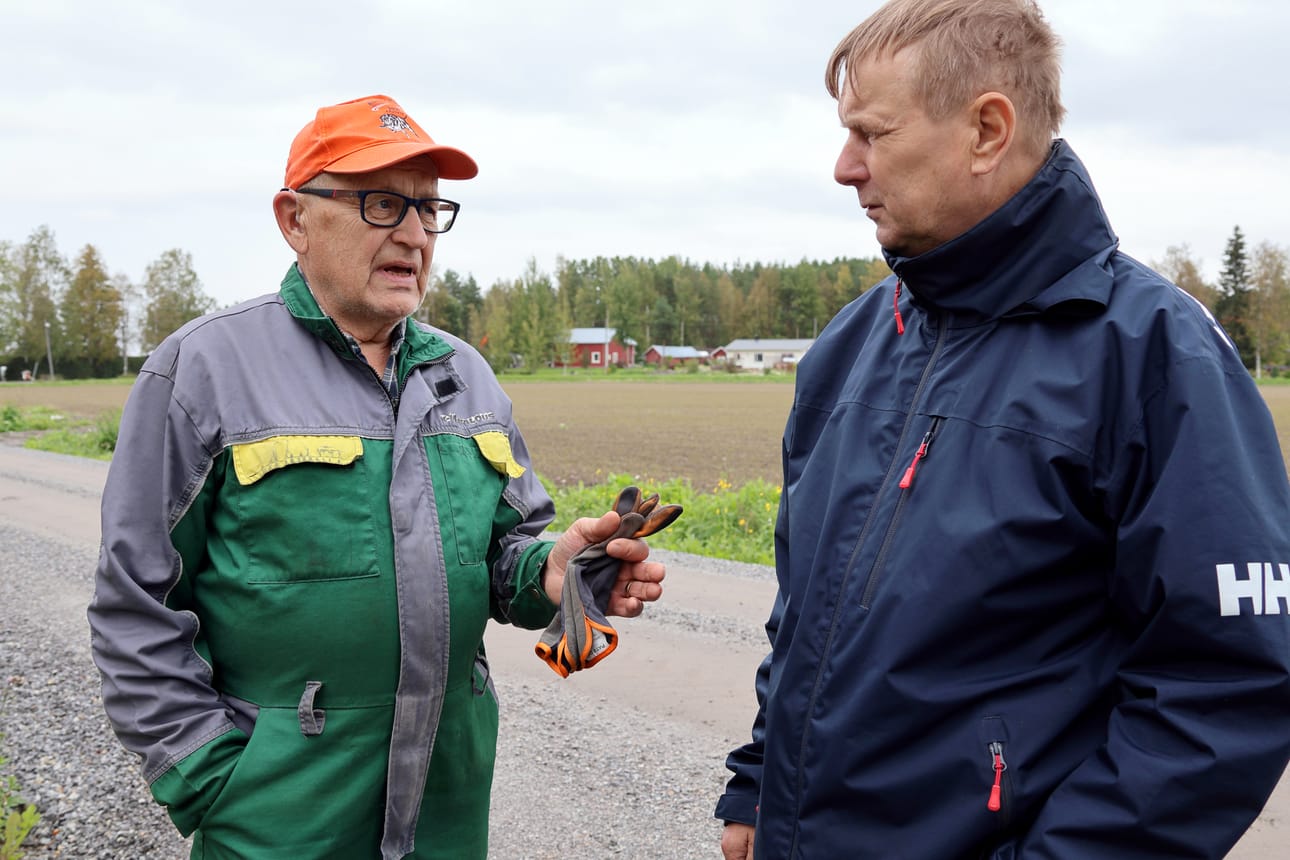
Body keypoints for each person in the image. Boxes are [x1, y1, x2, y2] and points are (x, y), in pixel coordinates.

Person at [716, 2, 1290, 857]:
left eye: (871, 133)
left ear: (987, 129)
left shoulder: (1150, 354)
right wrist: (759, 784)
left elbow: (1224, 683)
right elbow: (807, 612)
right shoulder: (851, 344)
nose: (845, 167)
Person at [88, 94, 665, 860]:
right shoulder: (204, 371)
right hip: (278, 823)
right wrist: (209, 775)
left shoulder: (467, 377)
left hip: (448, 814)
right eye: (382, 203)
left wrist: (553, 570)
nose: (413, 234)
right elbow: (135, 604)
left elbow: (507, 550)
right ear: (294, 218)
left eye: (430, 211)